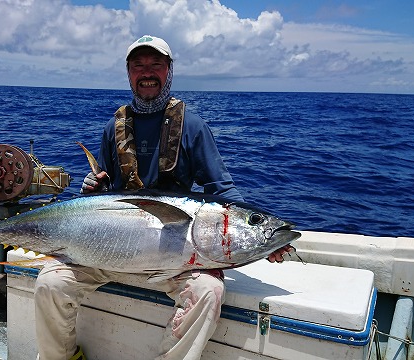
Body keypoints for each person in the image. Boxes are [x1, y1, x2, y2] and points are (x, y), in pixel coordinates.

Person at [33, 35, 292, 360]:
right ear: (129, 73)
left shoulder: (192, 126)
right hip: (110, 248)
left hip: (175, 257)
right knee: (50, 284)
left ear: (169, 71)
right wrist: (93, 188)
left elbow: (222, 190)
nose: (147, 72)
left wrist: (261, 237)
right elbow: (107, 193)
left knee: (208, 292)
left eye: (156, 64)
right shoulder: (113, 127)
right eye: (139, 65)